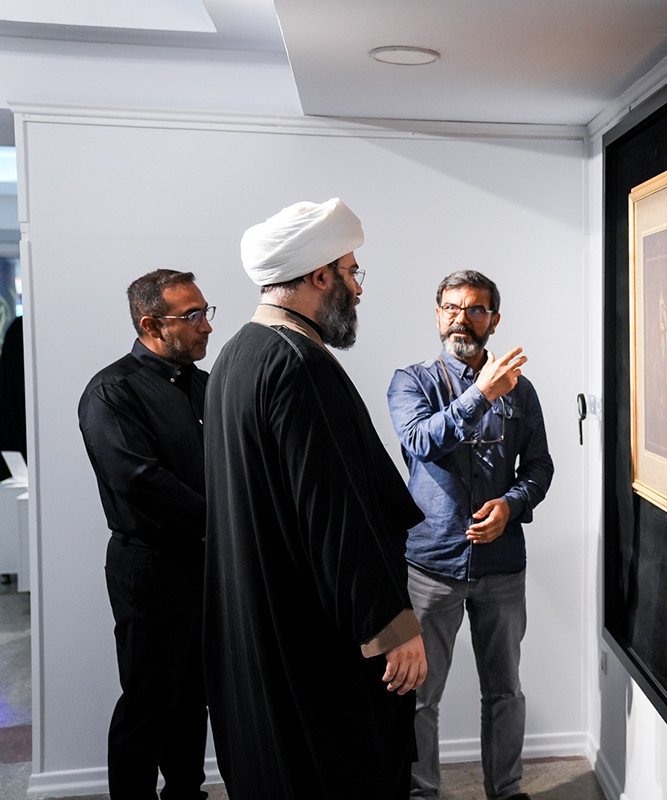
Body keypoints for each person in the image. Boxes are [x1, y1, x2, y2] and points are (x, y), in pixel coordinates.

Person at [203, 198, 427, 799]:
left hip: (259, 619)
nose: (359, 289)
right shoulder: (297, 363)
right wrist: (390, 627)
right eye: (351, 272)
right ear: (320, 276)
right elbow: (335, 514)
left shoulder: (236, 355)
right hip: (310, 634)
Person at [388, 270, 554, 800]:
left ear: (493, 320)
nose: (462, 318)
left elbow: (540, 467)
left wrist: (512, 504)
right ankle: (421, 794)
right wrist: (481, 393)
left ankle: (506, 791)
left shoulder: (522, 390)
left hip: (501, 564)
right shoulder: (412, 381)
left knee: (505, 691)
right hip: (431, 564)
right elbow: (421, 441)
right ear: (438, 315)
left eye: (475, 309)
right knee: (419, 694)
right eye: (452, 308)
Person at [78, 269, 214, 800]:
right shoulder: (113, 391)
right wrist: (226, 521)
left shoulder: (205, 386)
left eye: (206, 311)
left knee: (194, 695)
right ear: (151, 325)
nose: (206, 326)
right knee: (148, 699)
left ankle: (185, 793)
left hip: (206, 562)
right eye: (192, 315)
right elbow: (140, 481)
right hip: (151, 567)